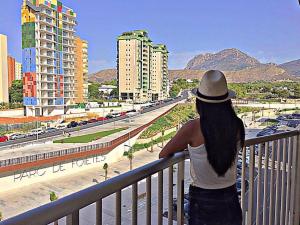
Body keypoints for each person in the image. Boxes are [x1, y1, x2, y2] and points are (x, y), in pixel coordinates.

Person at [159, 70, 245, 225]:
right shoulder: (237, 125)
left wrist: (190, 149)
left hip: (203, 199)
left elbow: (163, 154)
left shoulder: (193, 128)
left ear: (200, 102)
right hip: (230, 196)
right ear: (227, 101)